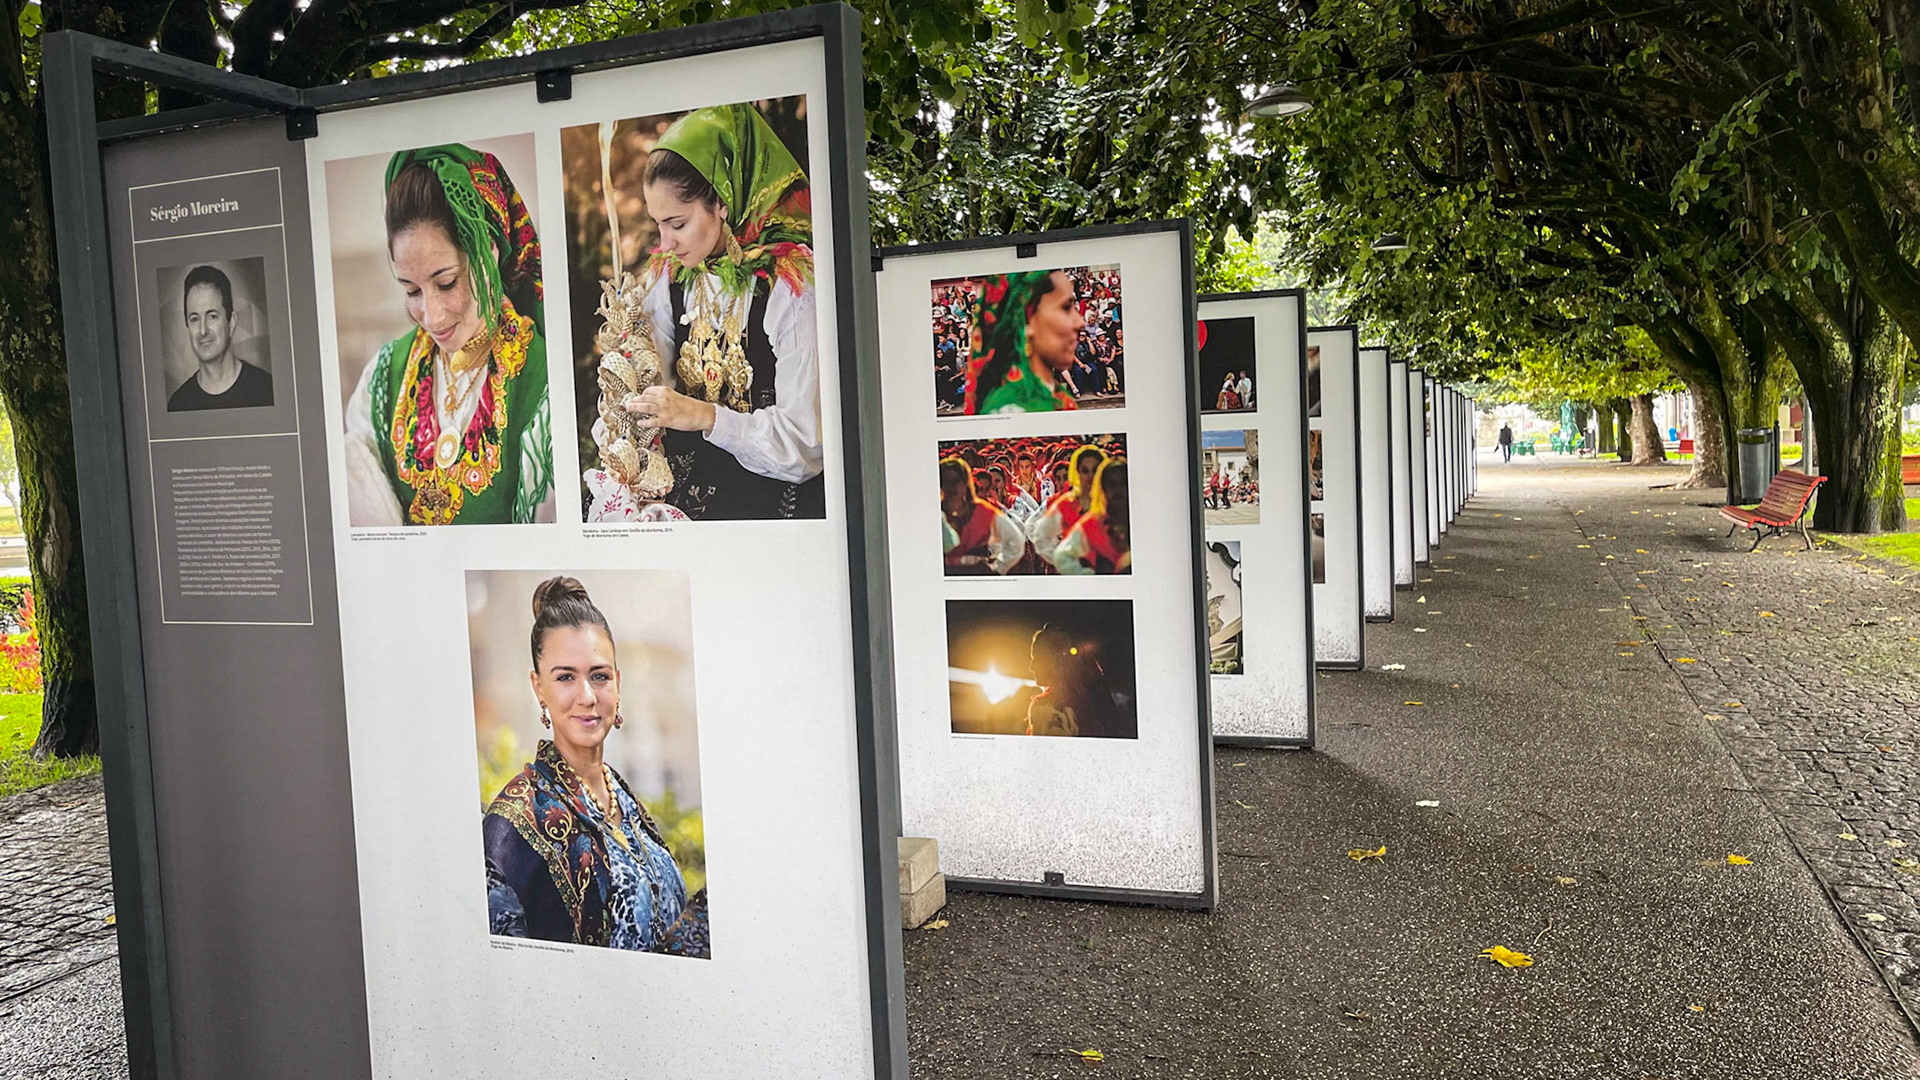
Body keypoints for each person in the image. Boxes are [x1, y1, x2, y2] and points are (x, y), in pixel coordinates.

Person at [590, 104, 823, 520]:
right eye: (658, 224)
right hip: (682, 511)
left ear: (722, 203)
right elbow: (643, 385)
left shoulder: (791, 283)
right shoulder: (668, 279)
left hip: (771, 515)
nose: (666, 242)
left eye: (678, 224)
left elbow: (806, 444)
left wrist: (703, 416)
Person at [483, 576, 708, 956]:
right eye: (565, 677)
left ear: (617, 683)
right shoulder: (512, 825)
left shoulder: (627, 804)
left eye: (599, 676)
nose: (587, 696)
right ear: (539, 687)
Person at [343, 145, 553, 526]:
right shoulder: (383, 379)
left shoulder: (542, 380)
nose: (432, 316)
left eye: (447, 282)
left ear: (490, 252)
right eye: (411, 290)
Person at [961, 270, 1087, 414]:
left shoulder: (1053, 395)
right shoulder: (1010, 410)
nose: (1080, 322)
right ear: (1027, 318)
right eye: (1066, 307)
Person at [168, 265, 274, 411]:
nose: (203, 330)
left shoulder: (266, 391)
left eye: (212, 316)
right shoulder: (178, 404)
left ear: (231, 323)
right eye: (195, 319)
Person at [1024, 624, 1126, 738]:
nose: (1031, 667)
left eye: (1037, 658)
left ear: (1054, 662)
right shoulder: (1091, 707)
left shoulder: (1046, 710)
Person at [941, 457, 1026, 575]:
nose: (951, 487)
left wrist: (997, 568)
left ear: (965, 483)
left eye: (956, 481)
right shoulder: (936, 513)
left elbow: (1016, 540)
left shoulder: (981, 511)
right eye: (946, 482)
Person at [1029, 444, 1107, 568]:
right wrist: (1064, 562)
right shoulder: (1065, 503)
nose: (1090, 476)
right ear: (1077, 473)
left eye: (1095, 470)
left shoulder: (1112, 501)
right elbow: (1040, 536)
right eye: (1085, 471)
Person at [1053, 460, 1130, 575]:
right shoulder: (1093, 523)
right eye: (1112, 485)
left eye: (1122, 484)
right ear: (1103, 489)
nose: (1118, 490)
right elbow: (1061, 556)